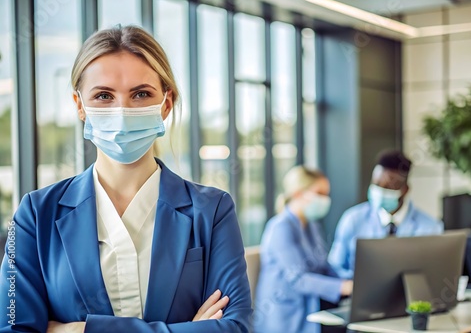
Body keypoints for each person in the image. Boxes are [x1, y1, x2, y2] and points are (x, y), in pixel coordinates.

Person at [0, 26, 251, 332]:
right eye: (103, 95)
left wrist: (81, 330)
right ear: (80, 106)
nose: (121, 111)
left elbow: (234, 327)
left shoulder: (212, 211)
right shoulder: (34, 215)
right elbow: (13, 328)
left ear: (166, 104)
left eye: (141, 94)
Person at [253, 166, 353, 333]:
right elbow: (298, 279)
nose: (325, 199)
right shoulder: (280, 227)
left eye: (326, 194)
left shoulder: (311, 225)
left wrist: (349, 280)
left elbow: (323, 267)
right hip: (286, 319)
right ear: (298, 193)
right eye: (320, 193)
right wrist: (343, 287)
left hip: (310, 309)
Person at [328, 150, 444, 279]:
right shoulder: (352, 219)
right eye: (376, 184)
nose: (380, 191)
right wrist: (356, 284)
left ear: (405, 190)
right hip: (359, 295)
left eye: (388, 187)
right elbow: (335, 268)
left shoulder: (430, 228)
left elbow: (434, 276)